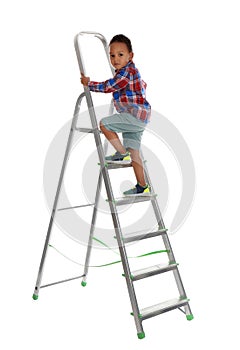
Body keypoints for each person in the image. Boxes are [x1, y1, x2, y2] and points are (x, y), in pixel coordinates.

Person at [80, 34, 151, 196]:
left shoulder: (126, 72)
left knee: (104, 124)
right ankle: (142, 185)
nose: (115, 59)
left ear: (130, 56)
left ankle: (121, 152)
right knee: (135, 152)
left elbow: (110, 86)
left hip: (134, 116)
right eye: (112, 55)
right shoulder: (130, 71)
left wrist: (89, 84)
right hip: (140, 118)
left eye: (120, 55)